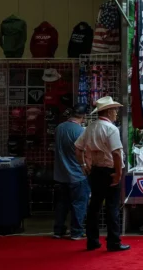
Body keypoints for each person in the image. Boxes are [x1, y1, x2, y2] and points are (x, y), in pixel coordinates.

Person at [75, 97, 130, 252]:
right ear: (109, 111)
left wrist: (84, 165)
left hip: (96, 171)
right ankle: (113, 242)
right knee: (112, 207)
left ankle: (92, 241)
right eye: (114, 110)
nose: (116, 114)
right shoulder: (111, 129)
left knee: (94, 206)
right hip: (110, 170)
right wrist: (118, 173)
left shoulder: (90, 127)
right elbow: (117, 154)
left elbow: (78, 149)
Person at [53, 104, 89, 240]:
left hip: (60, 174)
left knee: (61, 204)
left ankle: (58, 231)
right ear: (84, 116)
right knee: (79, 204)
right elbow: (83, 152)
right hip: (77, 174)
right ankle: (76, 232)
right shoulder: (80, 131)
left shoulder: (59, 128)